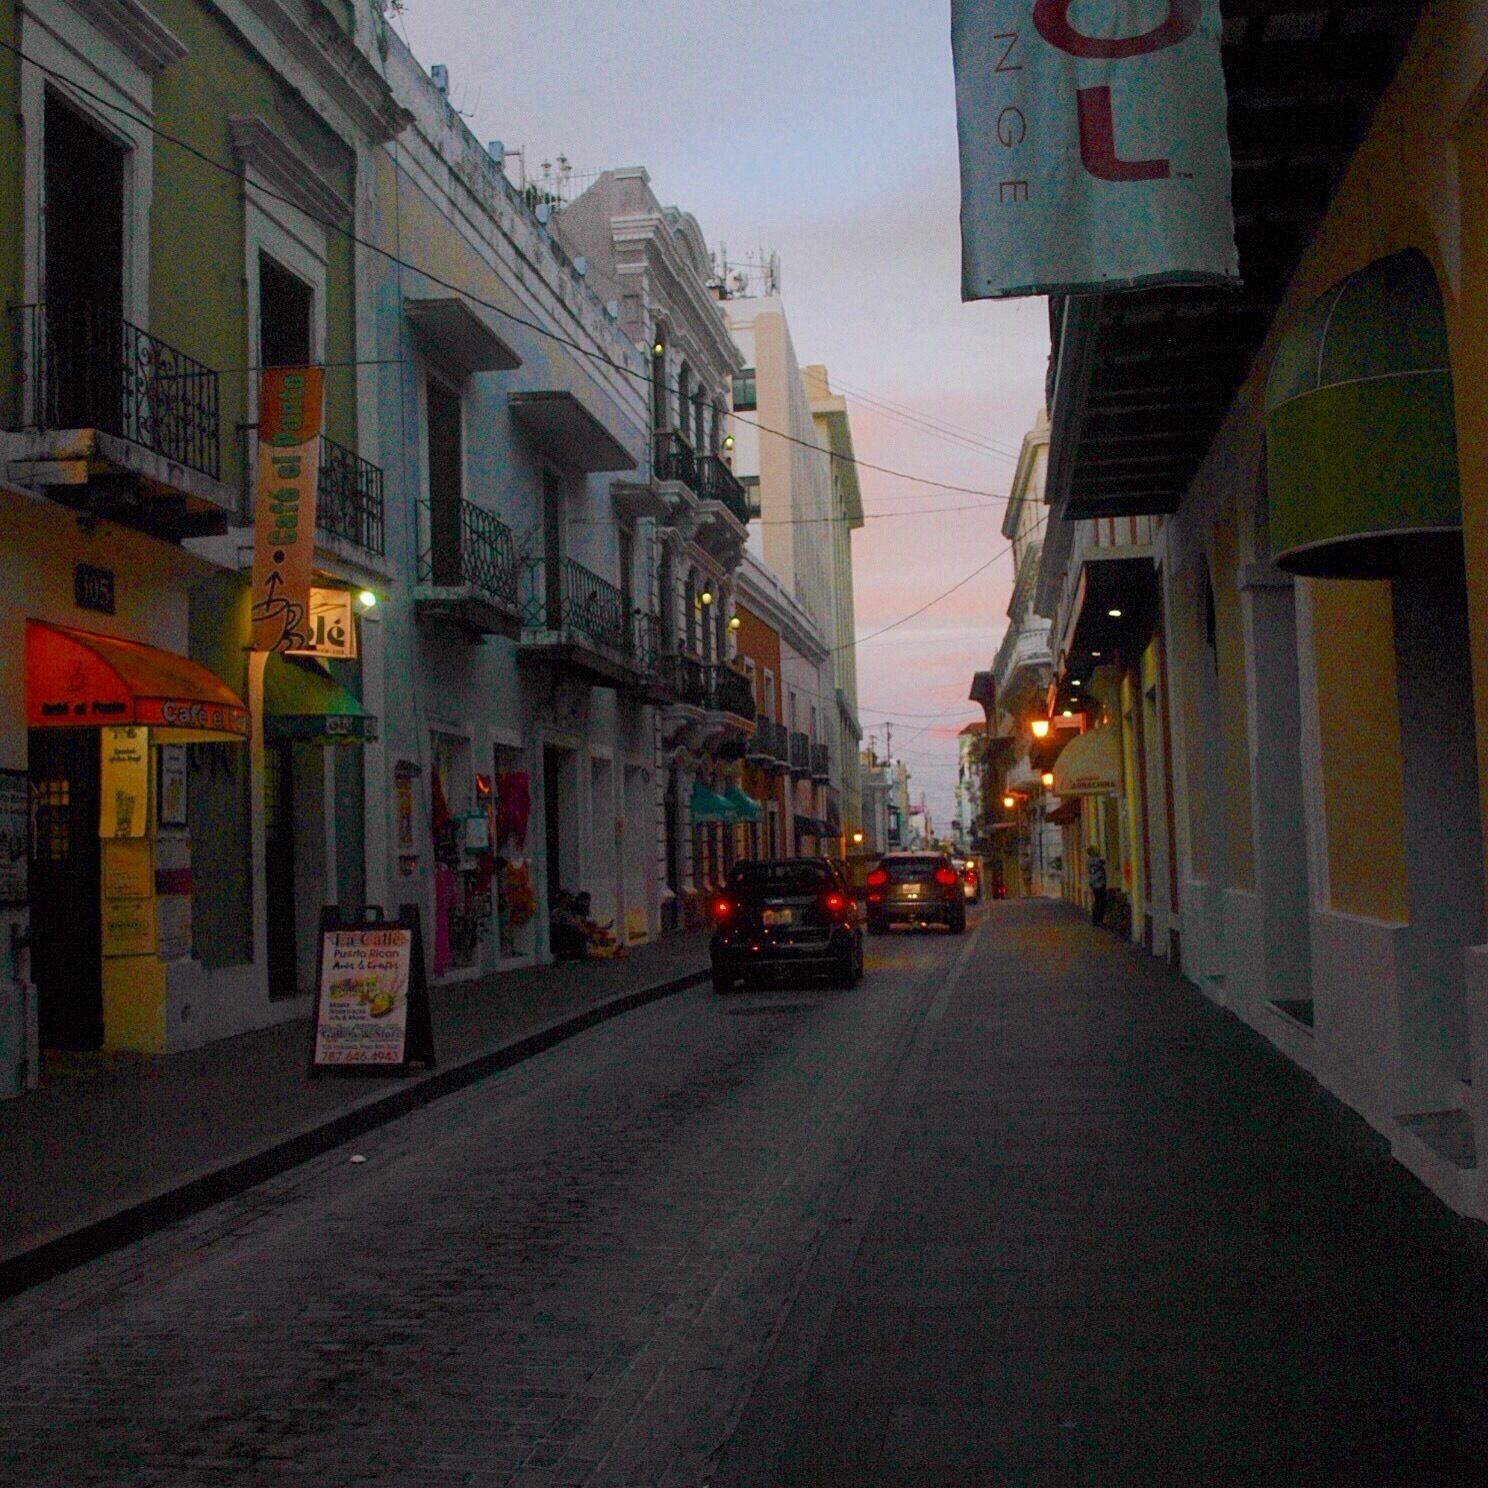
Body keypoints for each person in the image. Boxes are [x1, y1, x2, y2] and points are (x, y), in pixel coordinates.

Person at [1087, 846, 1108, 927]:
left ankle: (1096, 920)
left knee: (1098, 901)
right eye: (1096, 850)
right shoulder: (1093, 860)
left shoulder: (1090, 861)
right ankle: (1099, 920)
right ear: (1092, 852)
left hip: (1095, 883)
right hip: (1098, 884)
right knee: (1100, 902)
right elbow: (1103, 861)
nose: (1097, 851)